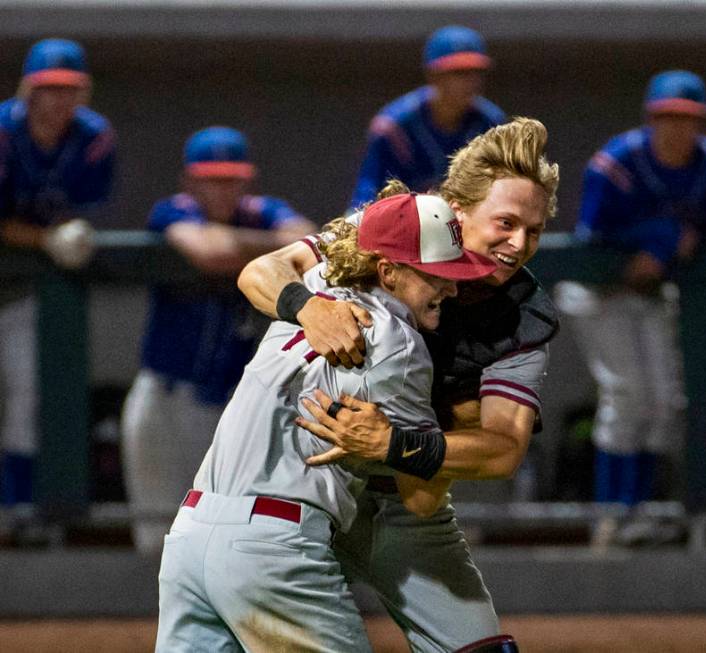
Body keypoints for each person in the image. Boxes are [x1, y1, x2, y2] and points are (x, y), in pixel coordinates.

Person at [238, 117, 558, 651]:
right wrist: (308, 307)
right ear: (456, 209)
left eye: (535, 230)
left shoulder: (522, 316)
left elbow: (502, 451)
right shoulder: (394, 228)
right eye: (504, 222)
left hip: (405, 499)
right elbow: (260, 271)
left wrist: (399, 443)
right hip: (304, 484)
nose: (518, 243)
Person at [156, 191, 499, 651]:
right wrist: (458, 401)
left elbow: (261, 272)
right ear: (388, 272)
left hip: (188, 539)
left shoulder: (315, 291)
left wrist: (303, 304)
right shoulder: (401, 345)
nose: (451, 288)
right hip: (273, 549)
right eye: (436, 274)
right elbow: (421, 498)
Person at [554, 70, 706, 548]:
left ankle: (644, 511)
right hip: (600, 292)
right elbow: (590, 240)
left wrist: (677, 244)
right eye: (668, 117)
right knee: (627, 393)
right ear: (652, 118)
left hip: (653, 294)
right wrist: (656, 240)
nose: (678, 128)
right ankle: (612, 515)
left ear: (703, 123)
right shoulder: (616, 162)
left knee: (664, 401)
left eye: (688, 118)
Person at [121, 126, 312, 555]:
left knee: (221, 533)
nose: (222, 189)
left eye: (231, 179)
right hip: (163, 399)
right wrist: (266, 254)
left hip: (226, 401)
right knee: (157, 539)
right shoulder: (172, 211)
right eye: (211, 178)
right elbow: (208, 253)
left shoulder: (263, 212)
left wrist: (240, 245)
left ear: (247, 180)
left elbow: (305, 240)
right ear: (190, 181)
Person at [0, 38, 115, 524]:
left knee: (29, 398)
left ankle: (17, 516)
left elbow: (84, 208)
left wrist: (60, 237)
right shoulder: (3, 131)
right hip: (23, 262)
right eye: (48, 89)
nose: (58, 100)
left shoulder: (94, 137)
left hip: (27, 288)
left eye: (69, 89)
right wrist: (44, 239)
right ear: (29, 90)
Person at [349, 24, 505, 209]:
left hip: (467, 226)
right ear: (434, 75)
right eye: (459, 73)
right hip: (403, 226)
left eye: (475, 73)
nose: (470, 82)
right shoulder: (394, 127)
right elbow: (367, 197)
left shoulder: (490, 124)